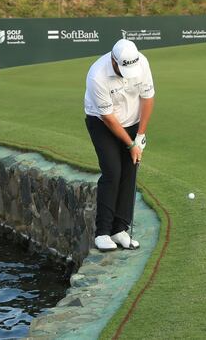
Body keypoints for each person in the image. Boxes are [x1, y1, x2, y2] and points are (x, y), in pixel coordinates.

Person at [84, 39, 155, 252]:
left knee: (130, 171)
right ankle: (103, 233)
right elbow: (108, 118)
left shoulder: (141, 63)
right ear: (114, 61)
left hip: (132, 122)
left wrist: (140, 136)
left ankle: (119, 229)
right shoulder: (97, 75)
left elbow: (148, 98)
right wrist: (130, 145)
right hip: (102, 123)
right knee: (112, 172)